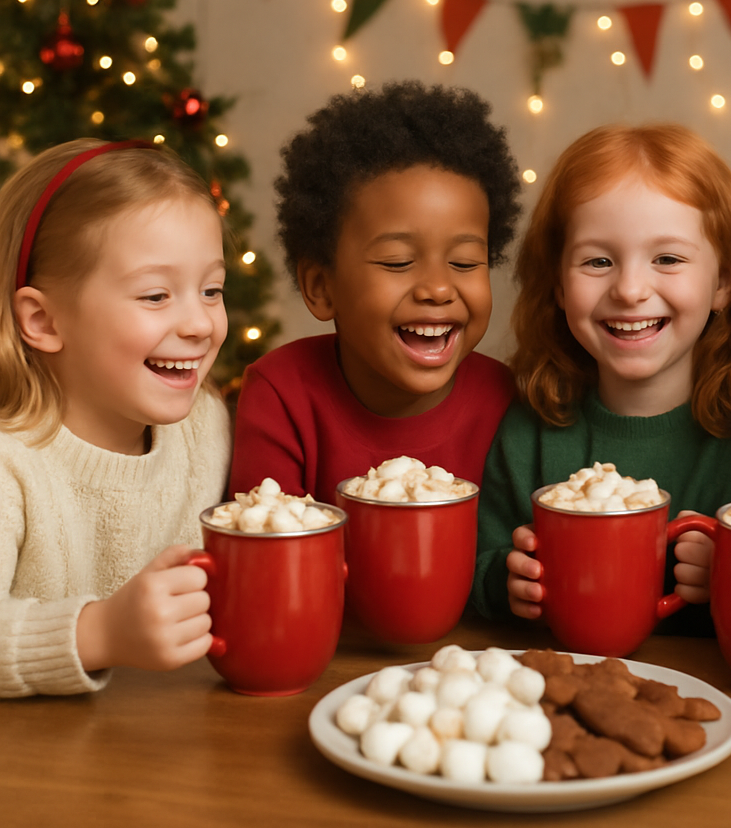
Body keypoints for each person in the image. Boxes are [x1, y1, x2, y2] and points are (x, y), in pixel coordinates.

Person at [471, 123, 731, 627]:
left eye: (667, 259)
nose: (631, 289)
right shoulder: (527, 432)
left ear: (723, 282)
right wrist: (504, 580)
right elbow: (480, 561)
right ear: (557, 285)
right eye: (598, 261)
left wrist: (728, 580)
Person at [0, 139, 231, 697]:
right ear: (44, 320)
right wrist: (97, 633)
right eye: (156, 296)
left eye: (213, 290)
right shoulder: (12, 466)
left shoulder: (206, 428)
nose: (200, 323)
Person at [229, 82, 522, 502]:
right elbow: (267, 554)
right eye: (398, 262)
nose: (439, 288)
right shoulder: (281, 395)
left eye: (464, 263)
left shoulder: (507, 401)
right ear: (321, 287)